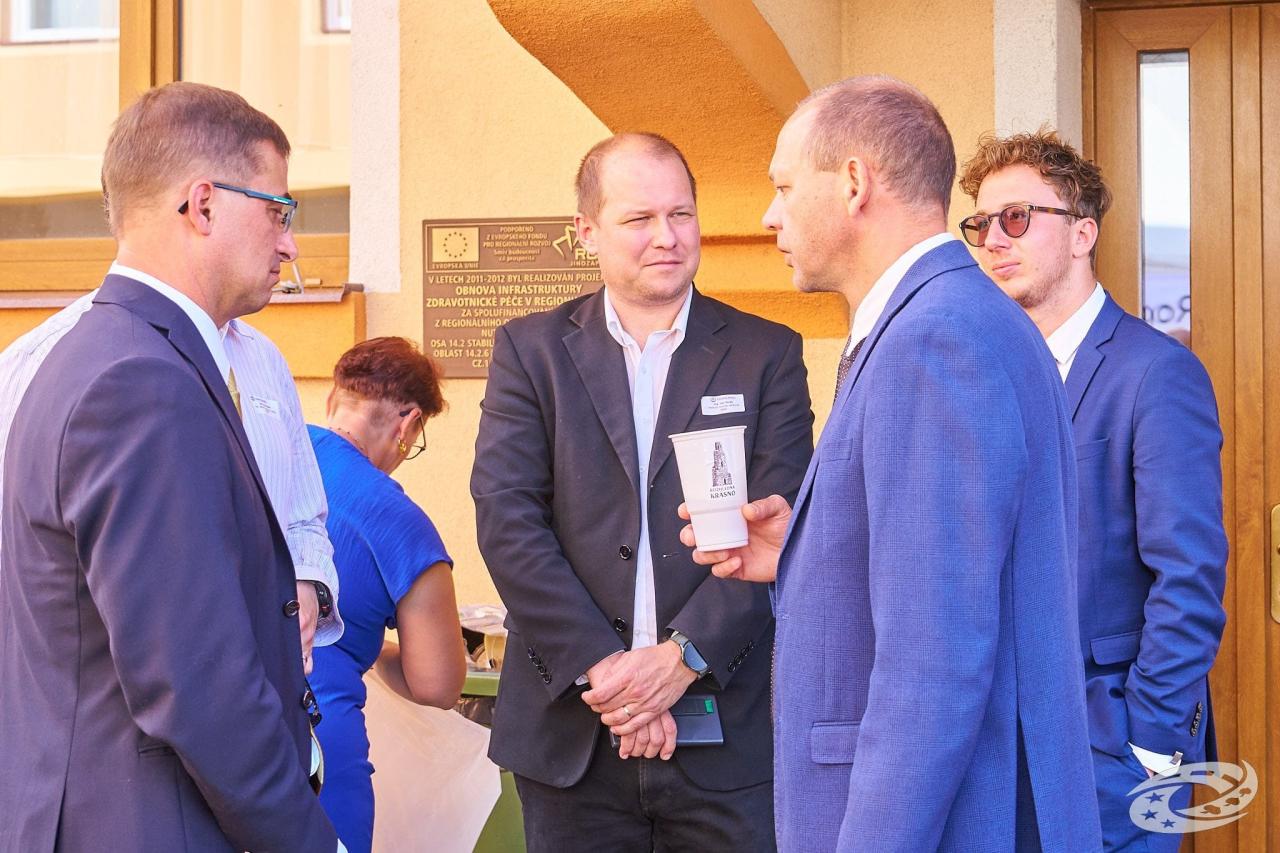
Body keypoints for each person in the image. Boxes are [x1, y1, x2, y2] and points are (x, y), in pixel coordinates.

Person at [682, 76, 1103, 851]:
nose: (769, 214)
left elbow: (933, 666)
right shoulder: (947, 318)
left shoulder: (933, 338)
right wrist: (804, 549)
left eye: (784, 186)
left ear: (853, 182)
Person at [0, 82, 338, 850]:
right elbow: (197, 681)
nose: (290, 245)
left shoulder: (97, 355)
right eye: (280, 211)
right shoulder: (141, 381)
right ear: (203, 205)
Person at [471, 132, 814, 851]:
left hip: (729, 736)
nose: (667, 236)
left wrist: (679, 661)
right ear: (586, 231)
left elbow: (783, 528)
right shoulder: (530, 352)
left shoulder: (768, 353)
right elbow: (508, 520)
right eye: (639, 218)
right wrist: (614, 675)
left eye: (681, 214)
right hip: (573, 732)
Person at [958, 130, 1227, 851]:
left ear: (1083, 234)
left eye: (1017, 217)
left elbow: (1189, 577)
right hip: (994, 749)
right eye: (981, 224)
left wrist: (1152, 746)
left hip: (1111, 748)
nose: (994, 239)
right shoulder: (982, 376)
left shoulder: (1156, 373)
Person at [0, 290, 344, 665]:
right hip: (119, 684)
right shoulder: (42, 356)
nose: (289, 257)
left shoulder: (264, 358)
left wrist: (308, 585)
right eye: (276, 230)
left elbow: (303, 515)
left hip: (257, 680)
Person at [307, 336, 466, 853]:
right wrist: (363, 644)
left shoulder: (257, 456)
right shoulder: (402, 524)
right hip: (316, 747)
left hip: (205, 729)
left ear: (333, 399)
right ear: (408, 425)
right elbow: (437, 685)